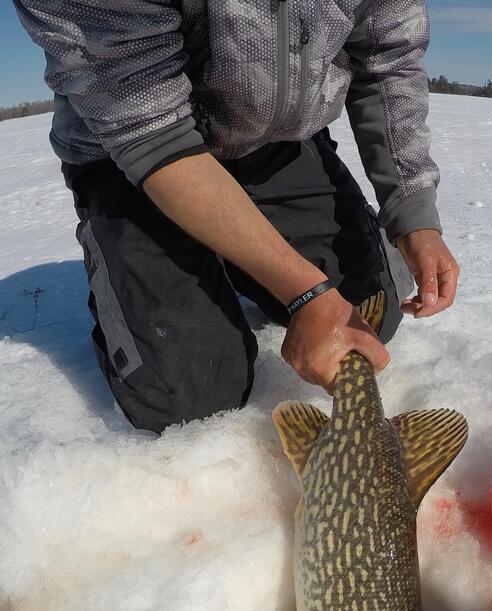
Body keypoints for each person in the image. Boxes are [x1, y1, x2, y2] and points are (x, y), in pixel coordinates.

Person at [13, 1, 460, 433]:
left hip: (272, 146)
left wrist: (413, 211)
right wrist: (306, 292)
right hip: (134, 164)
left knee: (366, 317)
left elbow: (388, 59)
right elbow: (151, 134)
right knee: (191, 396)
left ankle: (237, 260)